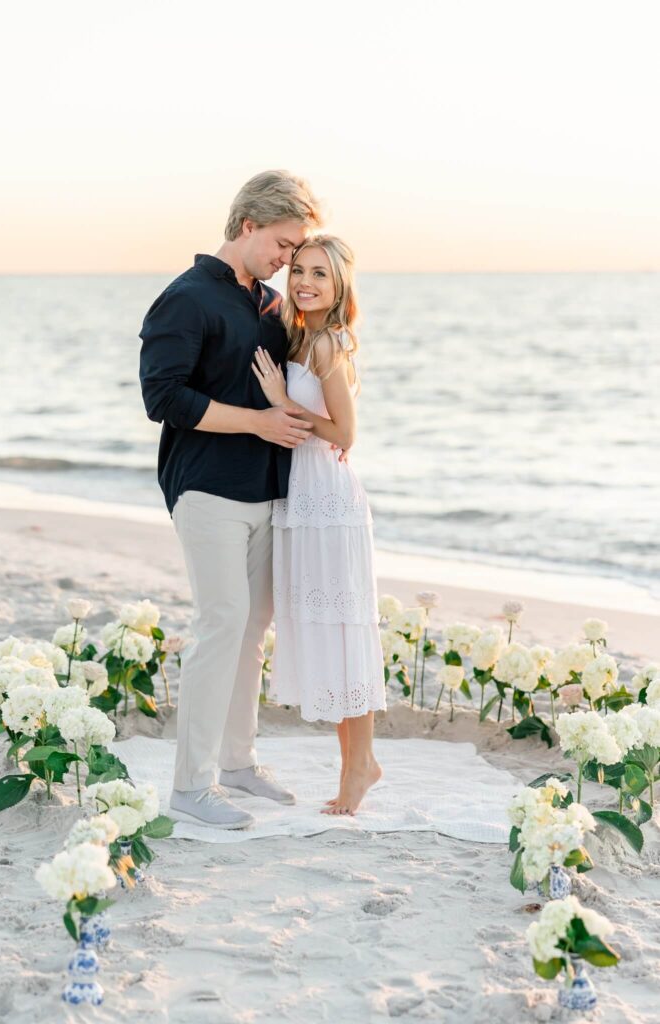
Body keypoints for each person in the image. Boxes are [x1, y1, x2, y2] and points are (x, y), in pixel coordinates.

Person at [139, 170, 323, 829]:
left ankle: (237, 763)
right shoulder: (185, 299)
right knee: (221, 625)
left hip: (266, 490)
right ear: (247, 226)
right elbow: (163, 399)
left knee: (250, 632)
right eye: (280, 243)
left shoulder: (270, 305)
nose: (287, 258)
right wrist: (256, 422)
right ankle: (191, 787)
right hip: (205, 487)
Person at [251, 235, 386, 816]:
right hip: (303, 498)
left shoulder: (328, 344)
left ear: (339, 287)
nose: (304, 281)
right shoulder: (299, 335)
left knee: (344, 629)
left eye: (320, 275)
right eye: (299, 270)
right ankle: (356, 764)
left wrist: (282, 401)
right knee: (329, 630)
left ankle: (360, 766)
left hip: (330, 501)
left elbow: (344, 434)